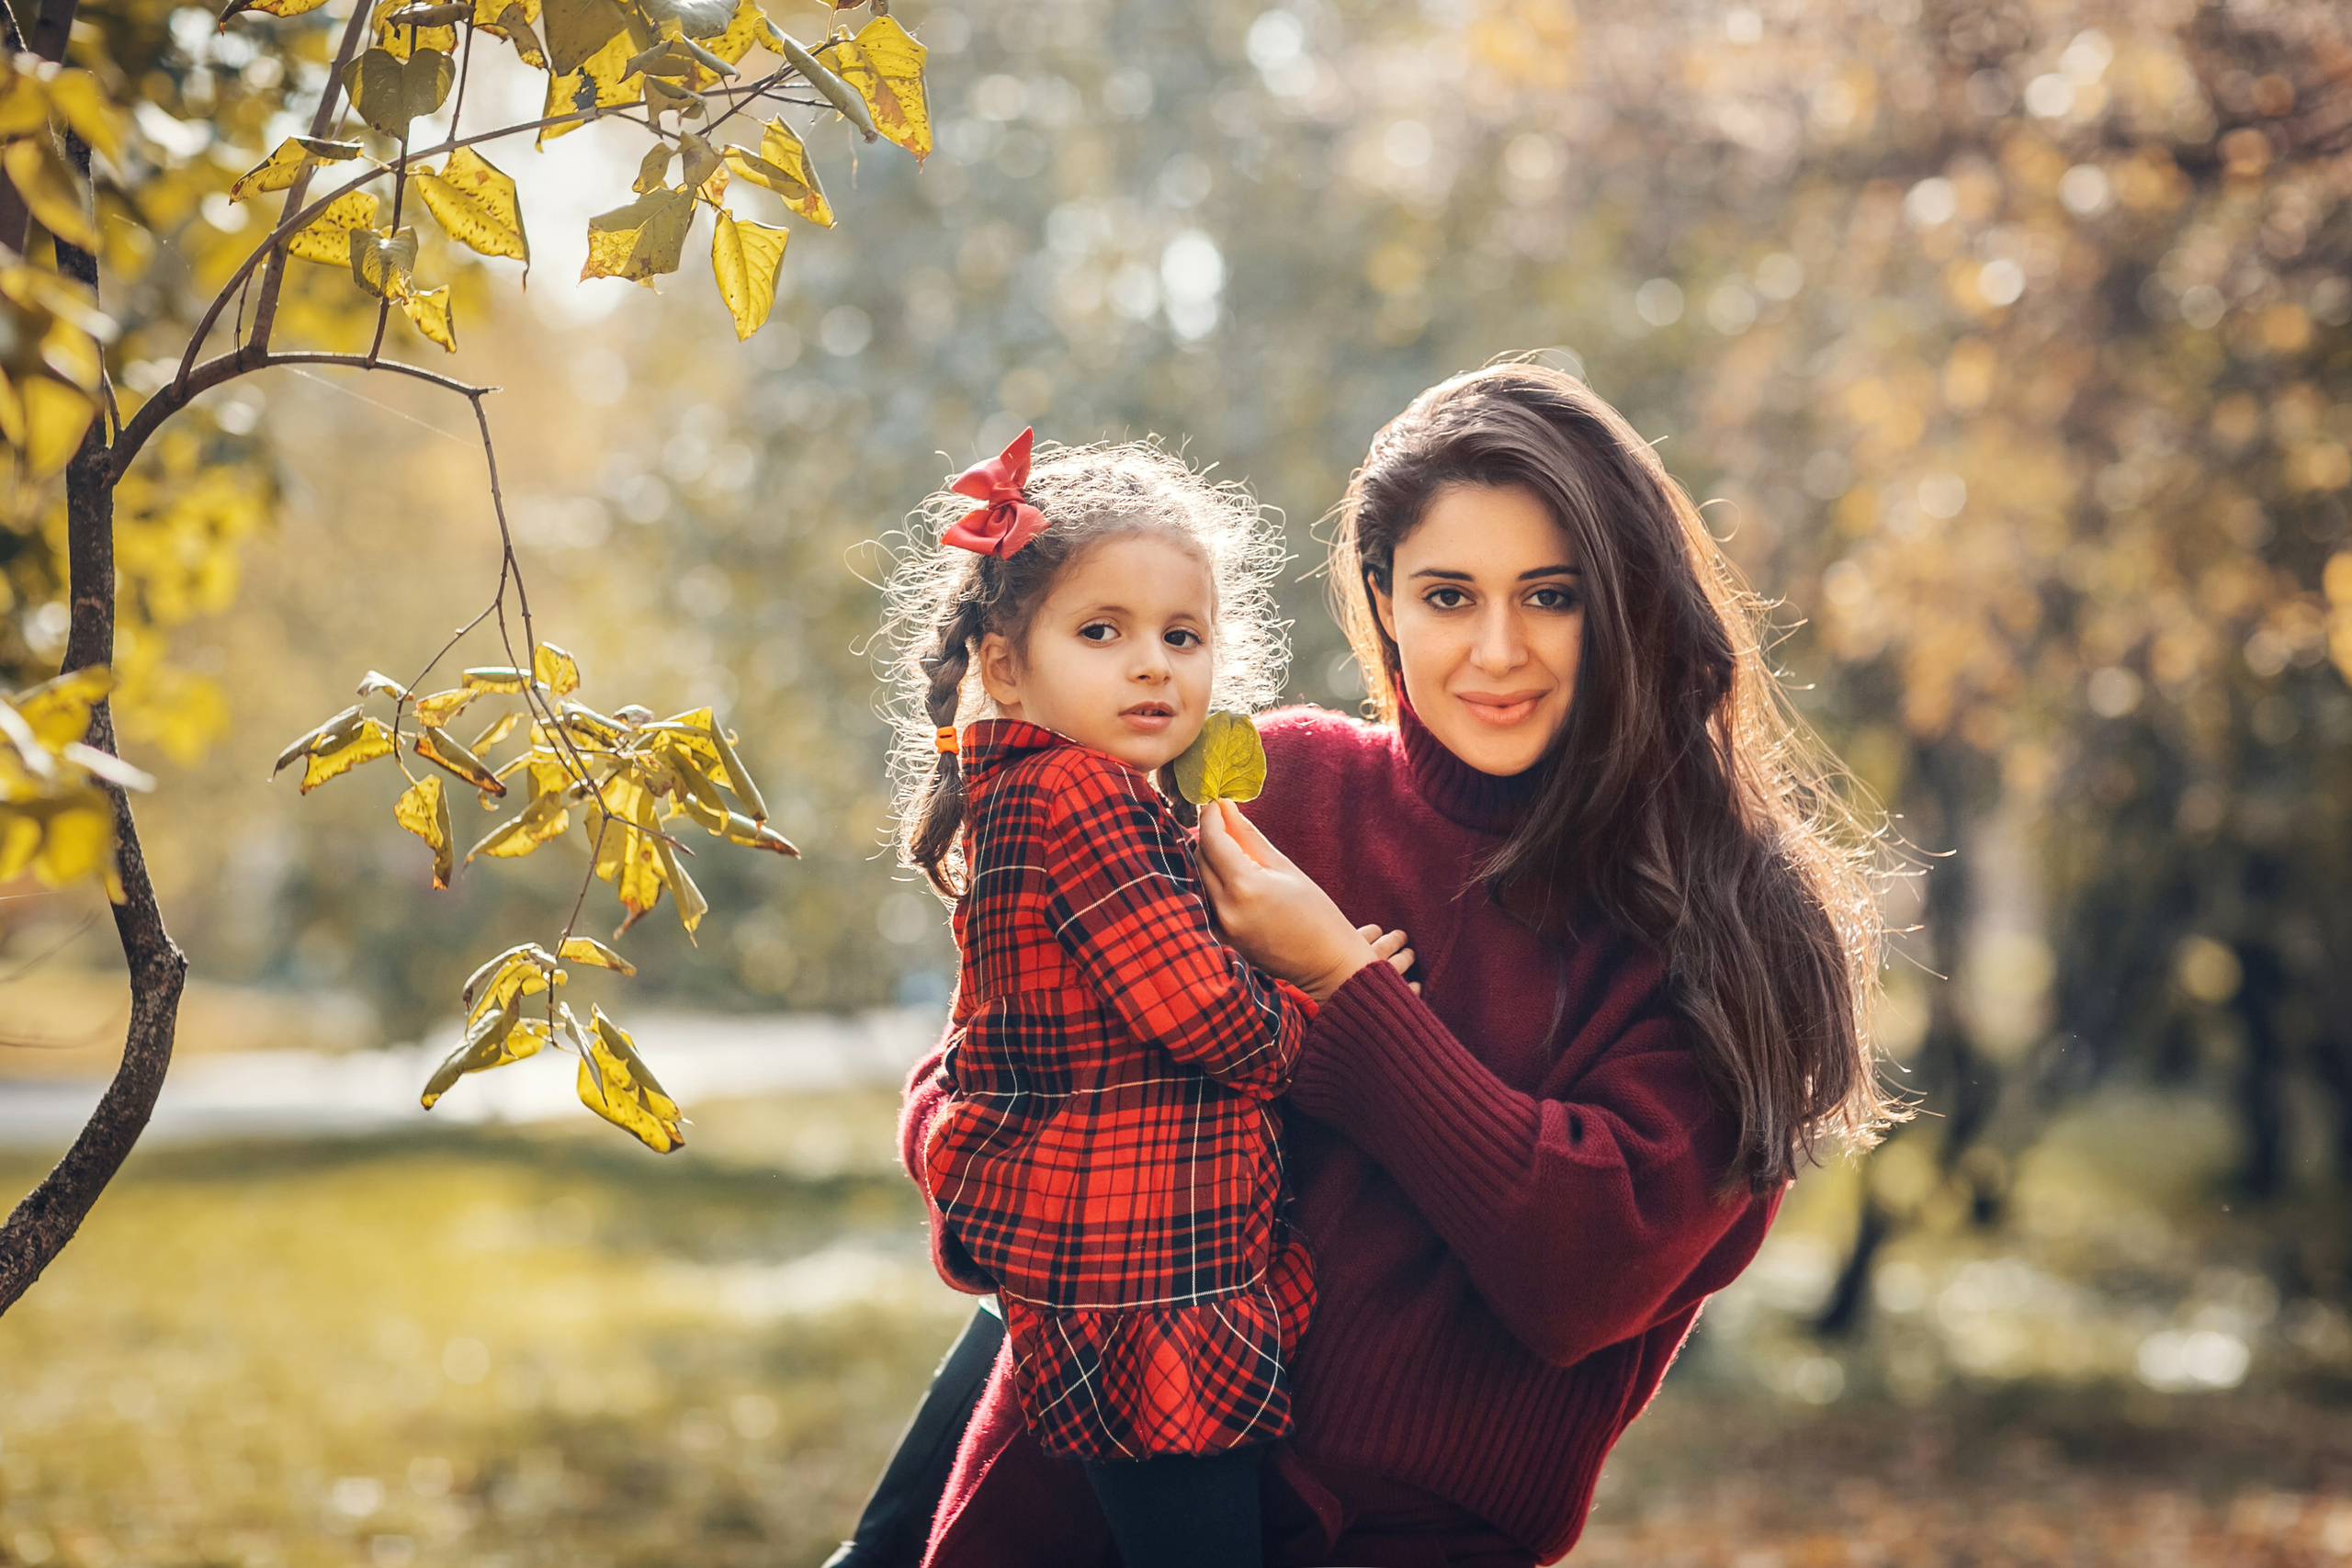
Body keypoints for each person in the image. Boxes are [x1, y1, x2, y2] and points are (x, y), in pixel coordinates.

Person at [832, 363, 1893, 1567]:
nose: (1498, 649)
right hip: (1085, 1475)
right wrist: (1032, 1183)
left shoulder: (1731, 916)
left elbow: (1584, 1273)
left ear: (1629, 602)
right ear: (1384, 600)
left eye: (1551, 595)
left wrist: (1346, 990)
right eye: (1449, 595)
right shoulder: (1268, 782)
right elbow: (1008, 1038)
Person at [865, 429, 1417, 1568]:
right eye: (1101, 632)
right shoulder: (1086, 801)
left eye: (1182, 635)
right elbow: (1205, 1015)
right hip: (1150, 1284)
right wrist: (1333, 991)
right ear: (1007, 664)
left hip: (1106, 1265)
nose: (1153, 665)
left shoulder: (1029, 793)